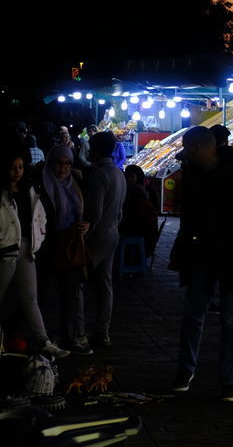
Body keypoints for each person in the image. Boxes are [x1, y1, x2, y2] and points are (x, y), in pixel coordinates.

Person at [170, 127, 233, 403]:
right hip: (201, 253)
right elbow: (189, 215)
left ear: (198, 147)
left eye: (187, 148)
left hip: (231, 257)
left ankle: (229, 379)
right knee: (194, 313)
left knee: (230, 319)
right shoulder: (195, 172)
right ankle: (187, 371)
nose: (184, 153)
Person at [0, 150, 67, 358]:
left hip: (27, 249)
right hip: (6, 252)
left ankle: (43, 341)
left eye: (20, 167)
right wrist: (1, 242)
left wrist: (38, 236)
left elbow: (40, 216)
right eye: (13, 167)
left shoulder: (28, 190)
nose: (17, 172)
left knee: (30, 298)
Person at [36, 146, 92, 354]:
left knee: (70, 295)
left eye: (68, 163)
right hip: (47, 245)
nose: (63, 168)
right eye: (59, 163)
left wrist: (87, 225)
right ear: (52, 163)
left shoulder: (76, 185)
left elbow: (86, 211)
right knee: (42, 293)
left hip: (70, 244)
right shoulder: (41, 185)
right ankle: (41, 338)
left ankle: (68, 338)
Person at [81, 131, 126, 348]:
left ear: (96, 150)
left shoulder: (99, 175)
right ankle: (103, 330)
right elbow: (119, 212)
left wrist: (87, 231)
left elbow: (94, 212)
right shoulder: (119, 173)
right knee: (105, 284)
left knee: (78, 282)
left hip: (97, 235)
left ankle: (79, 331)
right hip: (113, 233)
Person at [120, 164, 160, 258]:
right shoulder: (138, 190)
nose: (128, 179)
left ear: (138, 177)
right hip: (145, 237)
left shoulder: (137, 192)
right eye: (126, 176)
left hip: (142, 239)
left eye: (131, 176)